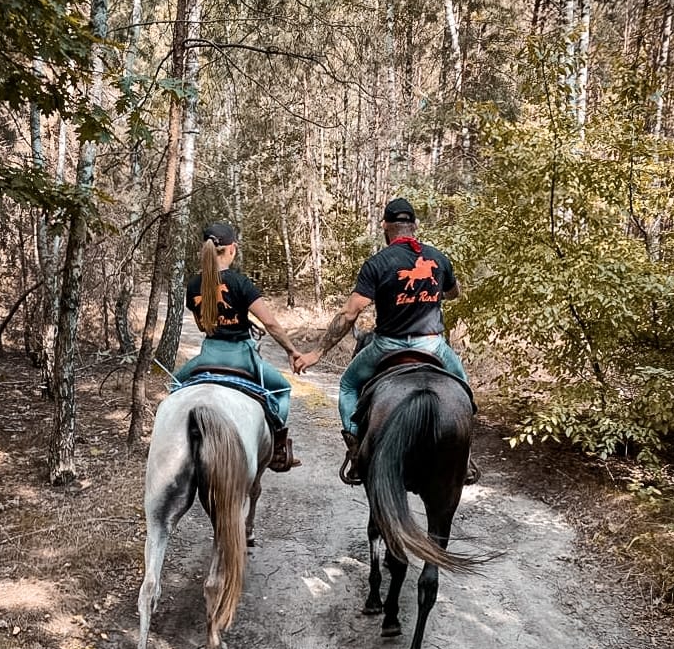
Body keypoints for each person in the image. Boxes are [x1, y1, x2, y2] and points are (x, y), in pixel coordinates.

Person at [294, 197, 477, 484]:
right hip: (432, 345)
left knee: (348, 385)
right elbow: (455, 294)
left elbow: (350, 312)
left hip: (387, 346)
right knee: (464, 391)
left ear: (385, 226)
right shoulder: (438, 259)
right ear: (414, 226)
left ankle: (356, 452)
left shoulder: (377, 263)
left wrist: (317, 352)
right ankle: (464, 457)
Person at [174, 221, 302, 472]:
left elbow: (204, 327)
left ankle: (177, 449)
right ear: (231, 249)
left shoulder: (193, 286)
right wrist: (291, 350)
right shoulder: (241, 283)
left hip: (209, 355)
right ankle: (277, 447)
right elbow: (271, 324)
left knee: (175, 386)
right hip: (240, 356)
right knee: (282, 390)